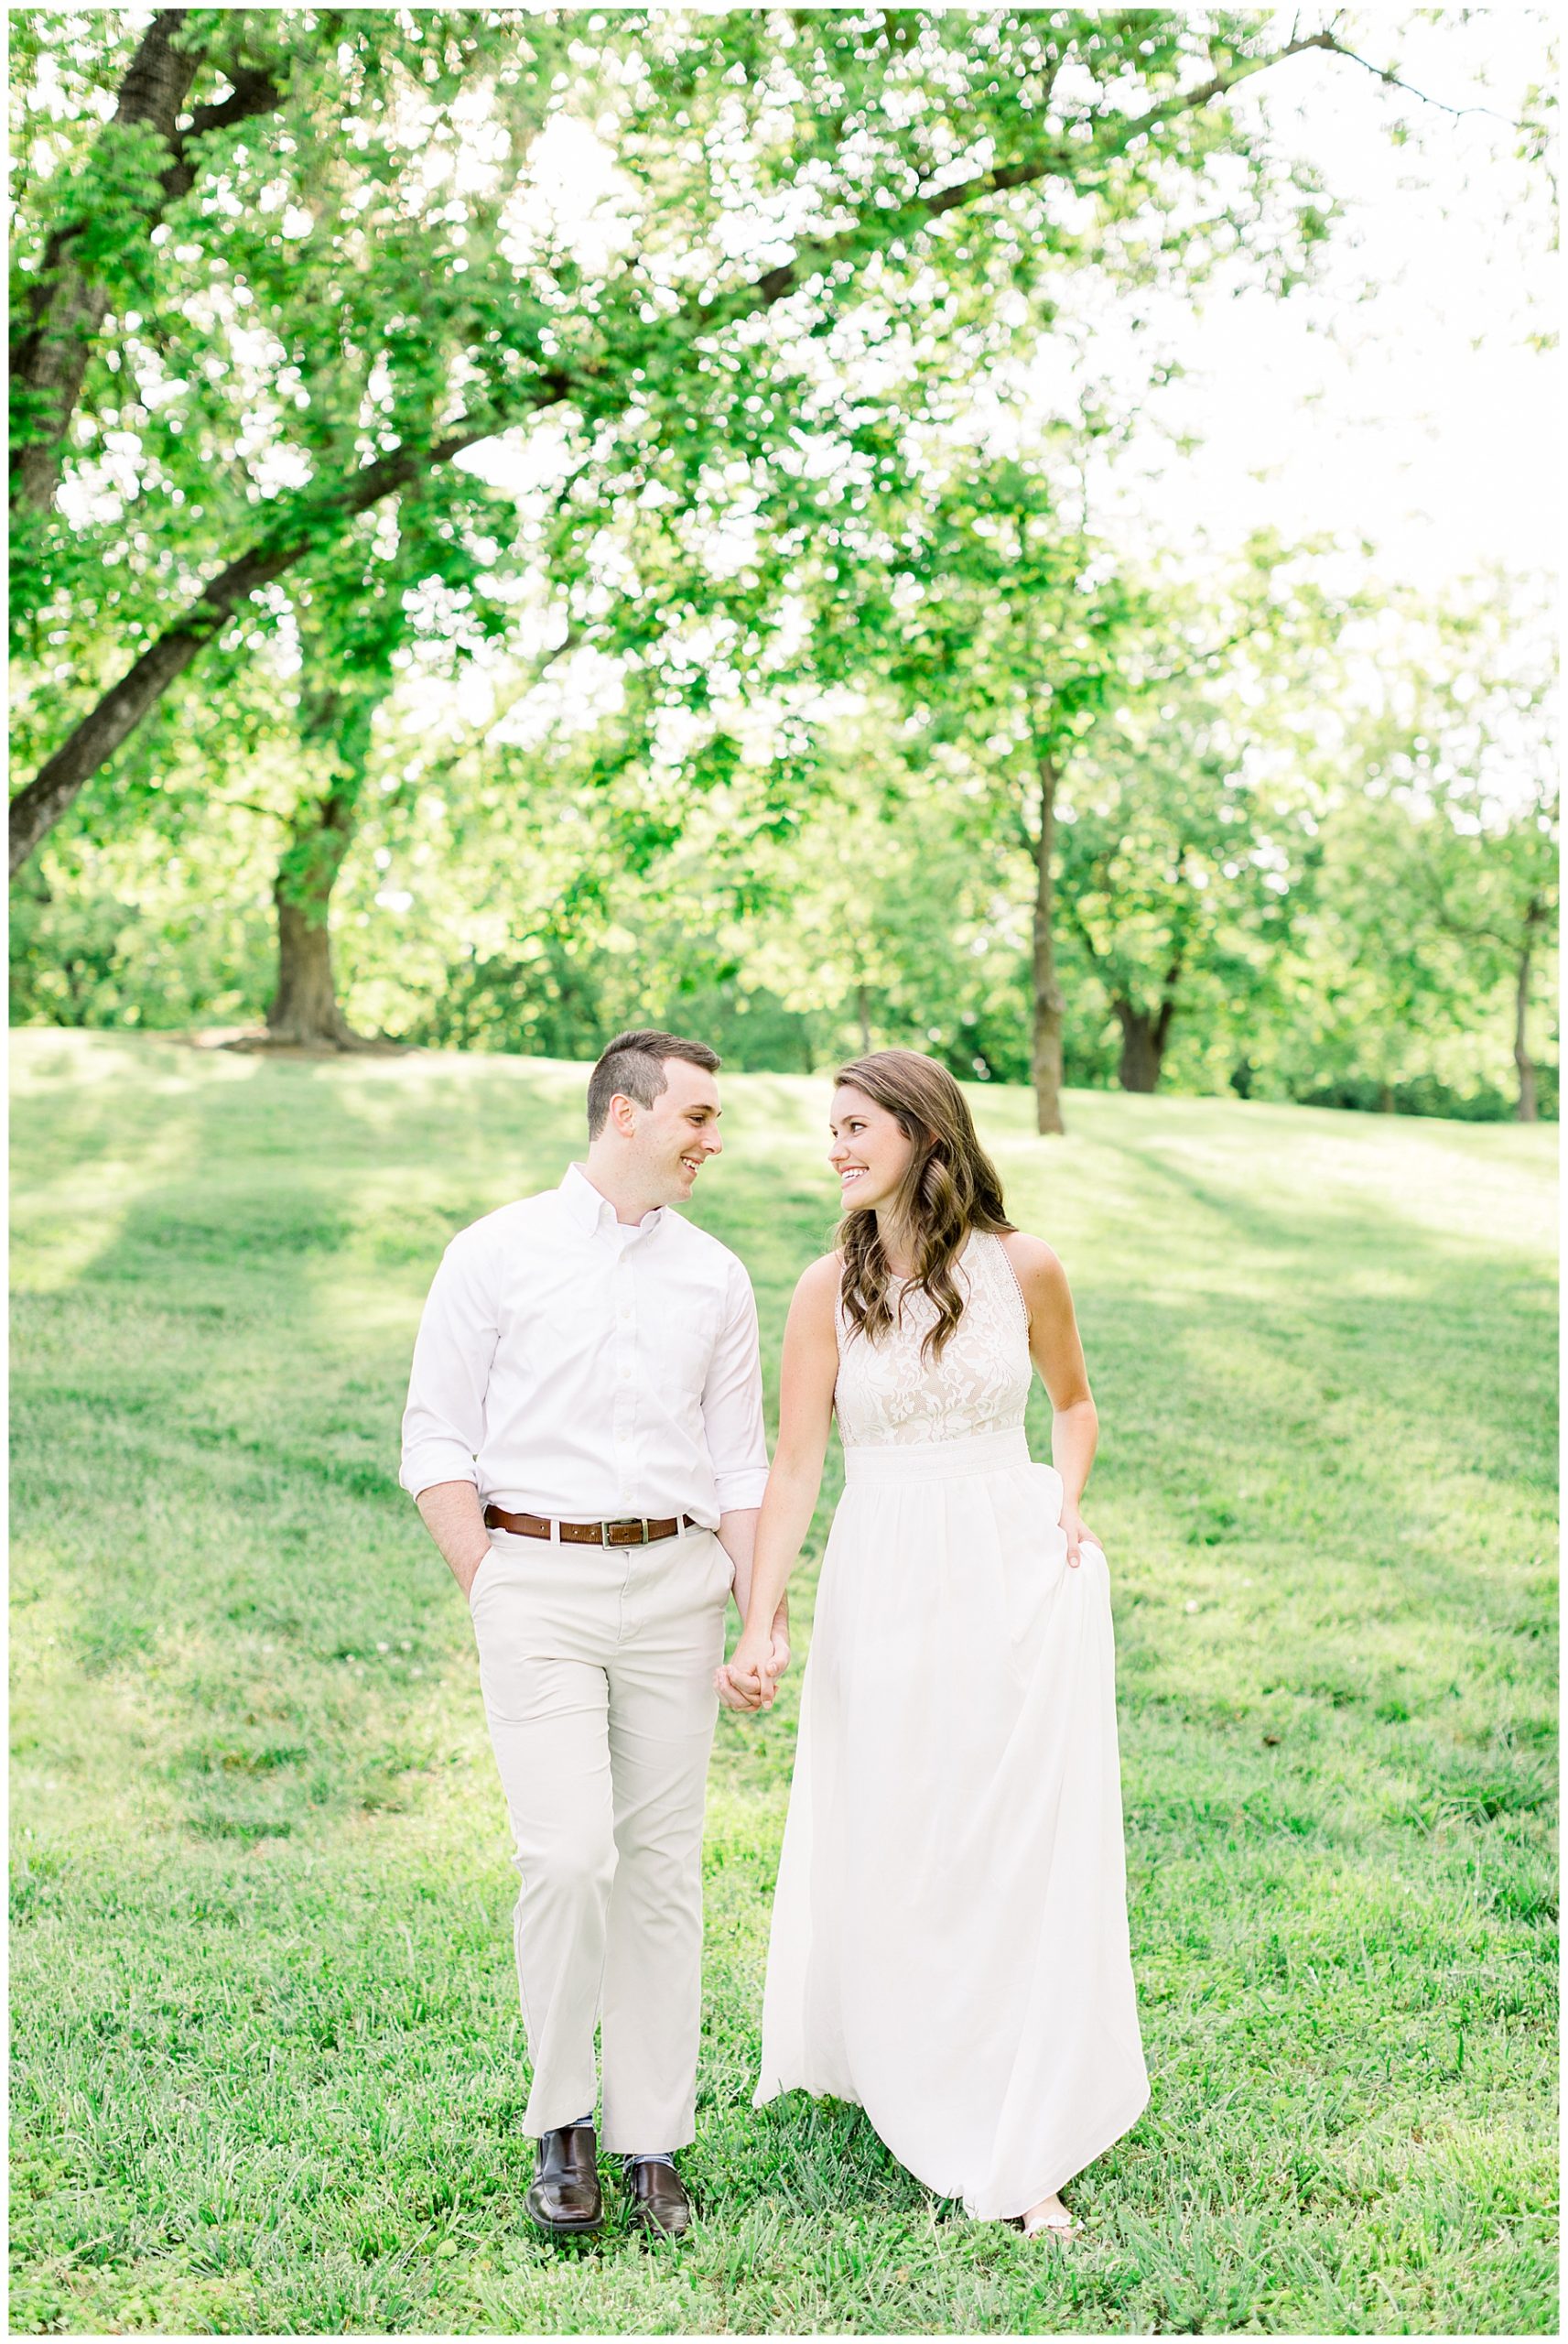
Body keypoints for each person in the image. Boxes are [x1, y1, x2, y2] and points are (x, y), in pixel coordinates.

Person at [718, 1049, 1148, 2239]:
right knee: (904, 1823)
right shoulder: (824, 1289)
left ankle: (1011, 2109)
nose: (836, 1147)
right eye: (831, 1130)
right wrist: (763, 1613)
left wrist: (1065, 1501)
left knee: (999, 1832)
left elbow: (1071, 1404)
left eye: (856, 1127)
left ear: (922, 1132)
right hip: (883, 1573)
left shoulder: (1024, 1268)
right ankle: (910, 2056)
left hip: (1006, 1567)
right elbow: (794, 1460)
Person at [400, 1028, 788, 2241]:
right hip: (537, 1584)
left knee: (662, 1873)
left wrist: (755, 1613)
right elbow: (434, 1440)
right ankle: (560, 2123)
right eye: (697, 1118)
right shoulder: (493, 1253)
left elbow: (738, 1459)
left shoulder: (714, 1276)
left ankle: (652, 2141)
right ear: (625, 1114)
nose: (712, 1142)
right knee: (568, 1857)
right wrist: (491, 1580)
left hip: (676, 1589)